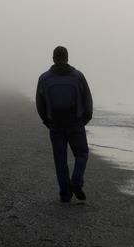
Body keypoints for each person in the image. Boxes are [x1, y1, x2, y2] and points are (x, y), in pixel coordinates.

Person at [36, 46, 93, 203]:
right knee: (81, 155)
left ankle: (65, 195)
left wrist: (47, 121)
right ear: (67, 58)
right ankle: (76, 181)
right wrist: (85, 119)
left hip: (55, 124)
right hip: (75, 123)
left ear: (53, 58)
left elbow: (39, 104)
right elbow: (87, 99)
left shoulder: (44, 78)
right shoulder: (78, 76)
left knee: (60, 160)